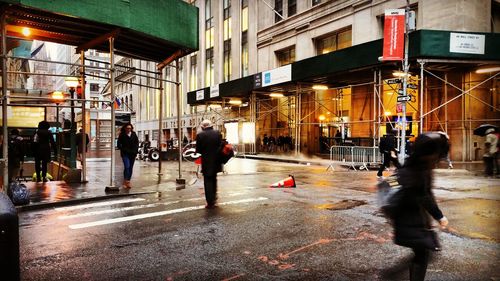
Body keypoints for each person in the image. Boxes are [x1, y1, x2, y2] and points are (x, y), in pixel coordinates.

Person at [392, 132, 450, 281]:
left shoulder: (414, 164)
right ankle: (394, 273)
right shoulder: (421, 170)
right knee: (423, 252)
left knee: (422, 251)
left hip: (406, 216)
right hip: (412, 217)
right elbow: (425, 196)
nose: (438, 159)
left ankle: (396, 273)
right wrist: (439, 216)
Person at [196, 119, 222, 209]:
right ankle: (214, 199)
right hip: (216, 160)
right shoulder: (217, 133)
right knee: (214, 179)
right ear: (211, 125)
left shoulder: (200, 135)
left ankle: (210, 202)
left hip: (206, 161)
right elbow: (220, 146)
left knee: (207, 181)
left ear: (203, 127)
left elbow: (198, 150)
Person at [117, 123, 139, 188]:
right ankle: (125, 180)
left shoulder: (134, 134)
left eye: (130, 128)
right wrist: (123, 149)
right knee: (127, 166)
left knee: (130, 168)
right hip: (125, 154)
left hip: (132, 154)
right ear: (125, 128)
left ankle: (128, 181)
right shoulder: (122, 135)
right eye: (127, 128)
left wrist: (135, 151)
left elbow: (136, 143)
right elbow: (118, 144)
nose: (129, 129)